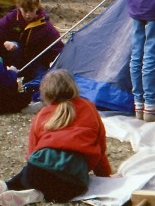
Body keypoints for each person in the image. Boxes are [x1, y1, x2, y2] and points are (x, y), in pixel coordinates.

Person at [0, 69, 112, 204]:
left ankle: (9, 186)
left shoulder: (42, 114)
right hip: (73, 180)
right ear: (73, 86)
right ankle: (36, 195)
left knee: (31, 171)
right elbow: (100, 146)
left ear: (45, 92)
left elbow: (31, 153)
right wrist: (105, 175)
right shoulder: (89, 107)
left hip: (36, 172)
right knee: (61, 192)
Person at [0, 0, 64, 83]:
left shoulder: (45, 25)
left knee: (43, 81)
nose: (28, 14)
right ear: (19, 8)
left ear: (36, 8)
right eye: (25, 10)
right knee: (15, 45)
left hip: (34, 62)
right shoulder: (12, 17)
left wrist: (54, 63)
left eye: (31, 10)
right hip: (12, 60)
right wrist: (4, 42)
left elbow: (57, 48)